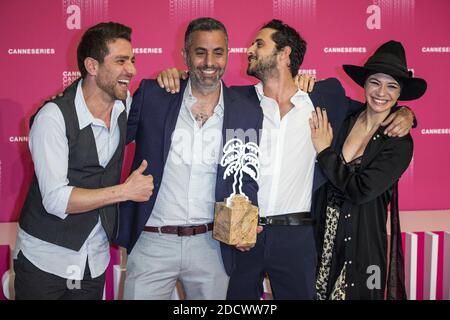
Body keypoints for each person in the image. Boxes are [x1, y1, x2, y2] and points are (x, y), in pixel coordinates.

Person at [157, 20, 415, 300]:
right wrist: (174, 77)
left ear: (284, 54)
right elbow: (199, 87)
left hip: (298, 236)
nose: (250, 50)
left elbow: (373, 111)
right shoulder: (233, 100)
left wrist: (407, 114)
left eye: (259, 44)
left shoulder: (324, 98)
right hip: (243, 233)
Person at [114, 17, 263, 300]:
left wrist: (245, 225)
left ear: (227, 55)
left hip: (211, 245)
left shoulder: (246, 110)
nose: (209, 62)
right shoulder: (154, 94)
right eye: (200, 52)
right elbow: (110, 137)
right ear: (184, 55)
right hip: (151, 242)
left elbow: (246, 172)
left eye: (218, 52)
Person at [13, 22, 154, 300]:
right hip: (45, 261)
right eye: (121, 61)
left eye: (133, 60)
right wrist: (124, 192)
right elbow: (55, 200)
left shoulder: (123, 107)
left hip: (95, 260)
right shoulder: (53, 117)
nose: (132, 70)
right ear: (92, 66)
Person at [311, 40, 427, 300]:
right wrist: (306, 84)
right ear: (364, 84)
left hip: (360, 250)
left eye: (392, 86)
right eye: (375, 82)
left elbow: (361, 191)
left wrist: (325, 152)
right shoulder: (345, 117)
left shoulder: (398, 142)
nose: (381, 92)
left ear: (400, 94)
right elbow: (324, 90)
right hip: (320, 240)